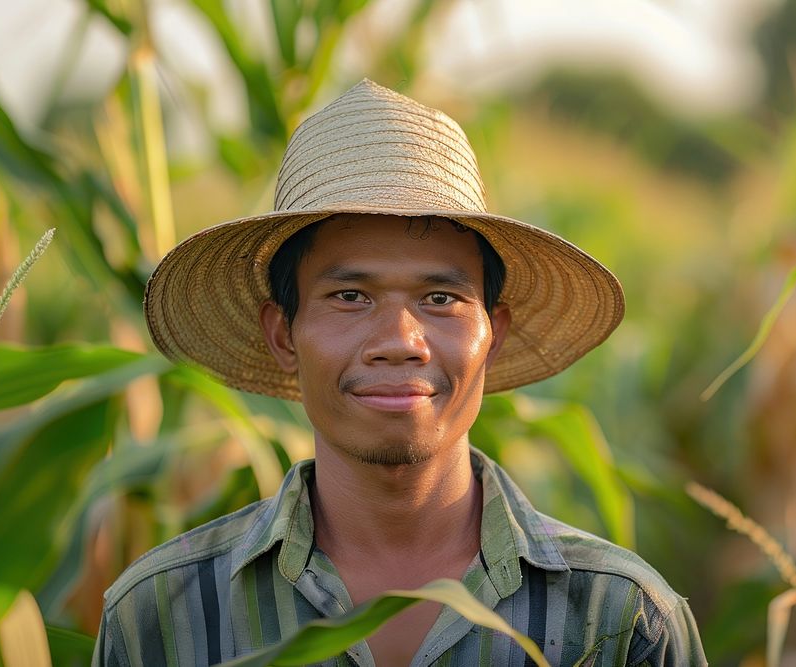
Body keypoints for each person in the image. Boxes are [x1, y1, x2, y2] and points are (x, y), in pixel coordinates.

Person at [94, 79, 707, 667]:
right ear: (283, 333)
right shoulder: (160, 619)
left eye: (440, 299)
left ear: (494, 335)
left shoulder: (621, 620)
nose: (399, 343)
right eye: (351, 296)